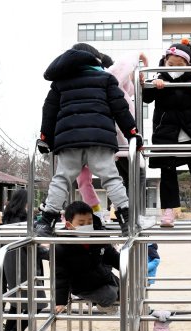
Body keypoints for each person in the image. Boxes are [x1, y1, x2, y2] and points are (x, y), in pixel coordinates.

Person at [35, 43, 143, 237]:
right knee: (111, 178)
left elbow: (49, 111)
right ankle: (126, 217)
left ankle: (47, 220)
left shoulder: (60, 83)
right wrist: (132, 133)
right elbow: (120, 108)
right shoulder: (106, 78)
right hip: (99, 140)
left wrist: (45, 138)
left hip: (69, 141)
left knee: (61, 179)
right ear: (96, 60)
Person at [142, 38, 191, 228]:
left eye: (179, 65)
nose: (174, 67)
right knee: (167, 173)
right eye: (170, 64)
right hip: (166, 133)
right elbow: (146, 99)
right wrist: (151, 83)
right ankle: (168, 212)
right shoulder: (160, 77)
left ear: (188, 65)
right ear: (165, 62)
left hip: (189, 133)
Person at [74, 46, 149, 215]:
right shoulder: (107, 76)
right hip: (116, 137)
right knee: (134, 176)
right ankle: (133, 216)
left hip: (85, 137)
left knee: (89, 177)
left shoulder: (75, 83)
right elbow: (123, 65)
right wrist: (139, 55)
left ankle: (100, 211)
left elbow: (128, 89)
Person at [55, 201, 121, 315]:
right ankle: (106, 306)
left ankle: (112, 303)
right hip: (82, 285)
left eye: (89, 222)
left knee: (127, 290)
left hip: (102, 276)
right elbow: (61, 276)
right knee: (110, 295)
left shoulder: (97, 235)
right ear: (69, 225)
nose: (87, 226)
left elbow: (111, 255)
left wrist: (128, 265)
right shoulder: (63, 245)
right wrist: (60, 301)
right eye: (81, 224)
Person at [1, 189, 49, 331]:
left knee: (17, 302)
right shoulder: (23, 220)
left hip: (12, 262)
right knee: (38, 302)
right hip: (23, 263)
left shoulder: (9, 218)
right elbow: (30, 245)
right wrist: (50, 251)